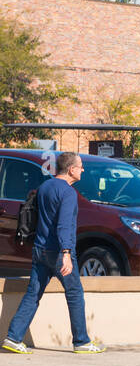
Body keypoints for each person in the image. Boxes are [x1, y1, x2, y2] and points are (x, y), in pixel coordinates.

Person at [3, 152, 105, 354]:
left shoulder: (45, 187)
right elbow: (64, 225)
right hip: (59, 253)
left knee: (33, 294)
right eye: (80, 166)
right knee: (75, 293)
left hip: (40, 250)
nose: (82, 170)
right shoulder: (67, 193)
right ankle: (81, 342)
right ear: (71, 169)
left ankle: (13, 338)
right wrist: (66, 252)